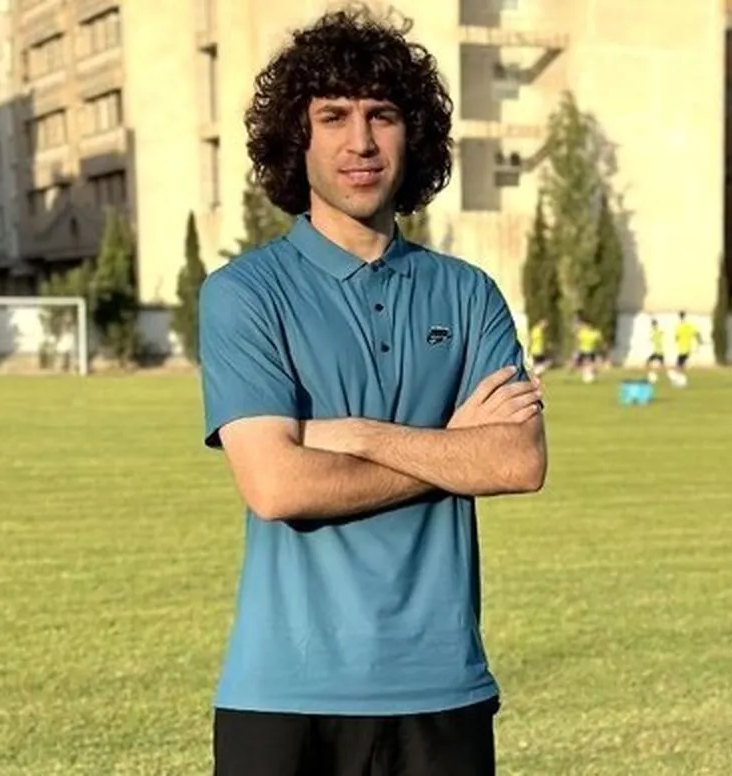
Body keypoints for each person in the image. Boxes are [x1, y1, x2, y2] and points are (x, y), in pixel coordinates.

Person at [197, 11, 547, 776]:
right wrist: (452, 450)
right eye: (334, 117)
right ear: (298, 139)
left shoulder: (469, 293)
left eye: (381, 115)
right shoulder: (244, 294)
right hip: (284, 693)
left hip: (442, 687)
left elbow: (517, 463)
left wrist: (354, 433)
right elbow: (278, 486)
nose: (360, 141)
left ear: (413, 135)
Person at [673, 310, 701, 387]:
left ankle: (681, 382)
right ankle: (681, 381)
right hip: (688, 349)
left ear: (679, 316)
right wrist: (699, 341)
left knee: (679, 366)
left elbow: (676, 338)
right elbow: (697, 333)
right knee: (681, 366)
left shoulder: (678, 326)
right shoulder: (689, 325)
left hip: (681, 349)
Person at [574, 315, 603, 383]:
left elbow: (599, 341)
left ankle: (589, 373)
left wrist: (600, 347)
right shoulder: (582, 332)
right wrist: (577, 347)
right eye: (586, 325)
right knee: (576, 365)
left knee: (594, 365)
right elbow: (577, 340)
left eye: (588, 325)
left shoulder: (596, 332)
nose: (587, 326)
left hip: (592, 350)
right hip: (582, 350)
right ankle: (586, 373)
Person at [645, 317, 666, 384]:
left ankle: (653, 375)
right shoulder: (659, 330)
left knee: (648, 361)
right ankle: (655, 374)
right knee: (660, 364)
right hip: (659, 351)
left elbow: (651, 339)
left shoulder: (654, 331)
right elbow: (662, 334)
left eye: (652, 324)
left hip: (658, 351)